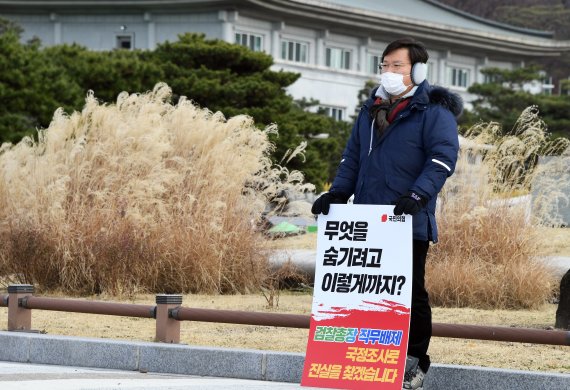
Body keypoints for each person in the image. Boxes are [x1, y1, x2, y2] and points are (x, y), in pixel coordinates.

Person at [311, 37, 462, 390]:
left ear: (418, 71)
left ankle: (414, 362)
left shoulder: (433, 112)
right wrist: (337, 193)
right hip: (367, 222)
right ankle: (363, 358)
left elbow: (442, 160)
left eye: (398, 65)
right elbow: (351, 157)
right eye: (385, 65)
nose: (389, 72)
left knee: (410, 293)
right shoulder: (371, 110)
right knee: (365, 291)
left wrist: (417, 194)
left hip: (407, 219)